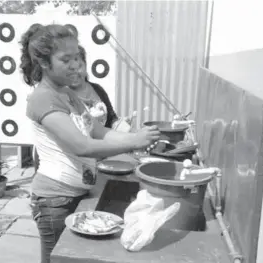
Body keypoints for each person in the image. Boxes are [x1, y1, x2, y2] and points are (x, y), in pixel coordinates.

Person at [20, 23, 161, 263]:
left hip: (76, 195)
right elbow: (82, 146)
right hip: (55, 201)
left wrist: (138, 139)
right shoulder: (42, 98)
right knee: (58, 259)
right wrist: (134, 142)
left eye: (77, 57)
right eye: (66, 59)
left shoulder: (67, 93)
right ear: (44, 63)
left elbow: (99, 131)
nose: (75, 64)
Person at [32, 45, 130, 170]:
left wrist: (123, 127)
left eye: (79, 66)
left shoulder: (97, 89)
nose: (74, 72)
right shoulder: (58, 97)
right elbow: (75, 142)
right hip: (69, 166)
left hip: (101, 162)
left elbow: (110, 120)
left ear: (85, 66)